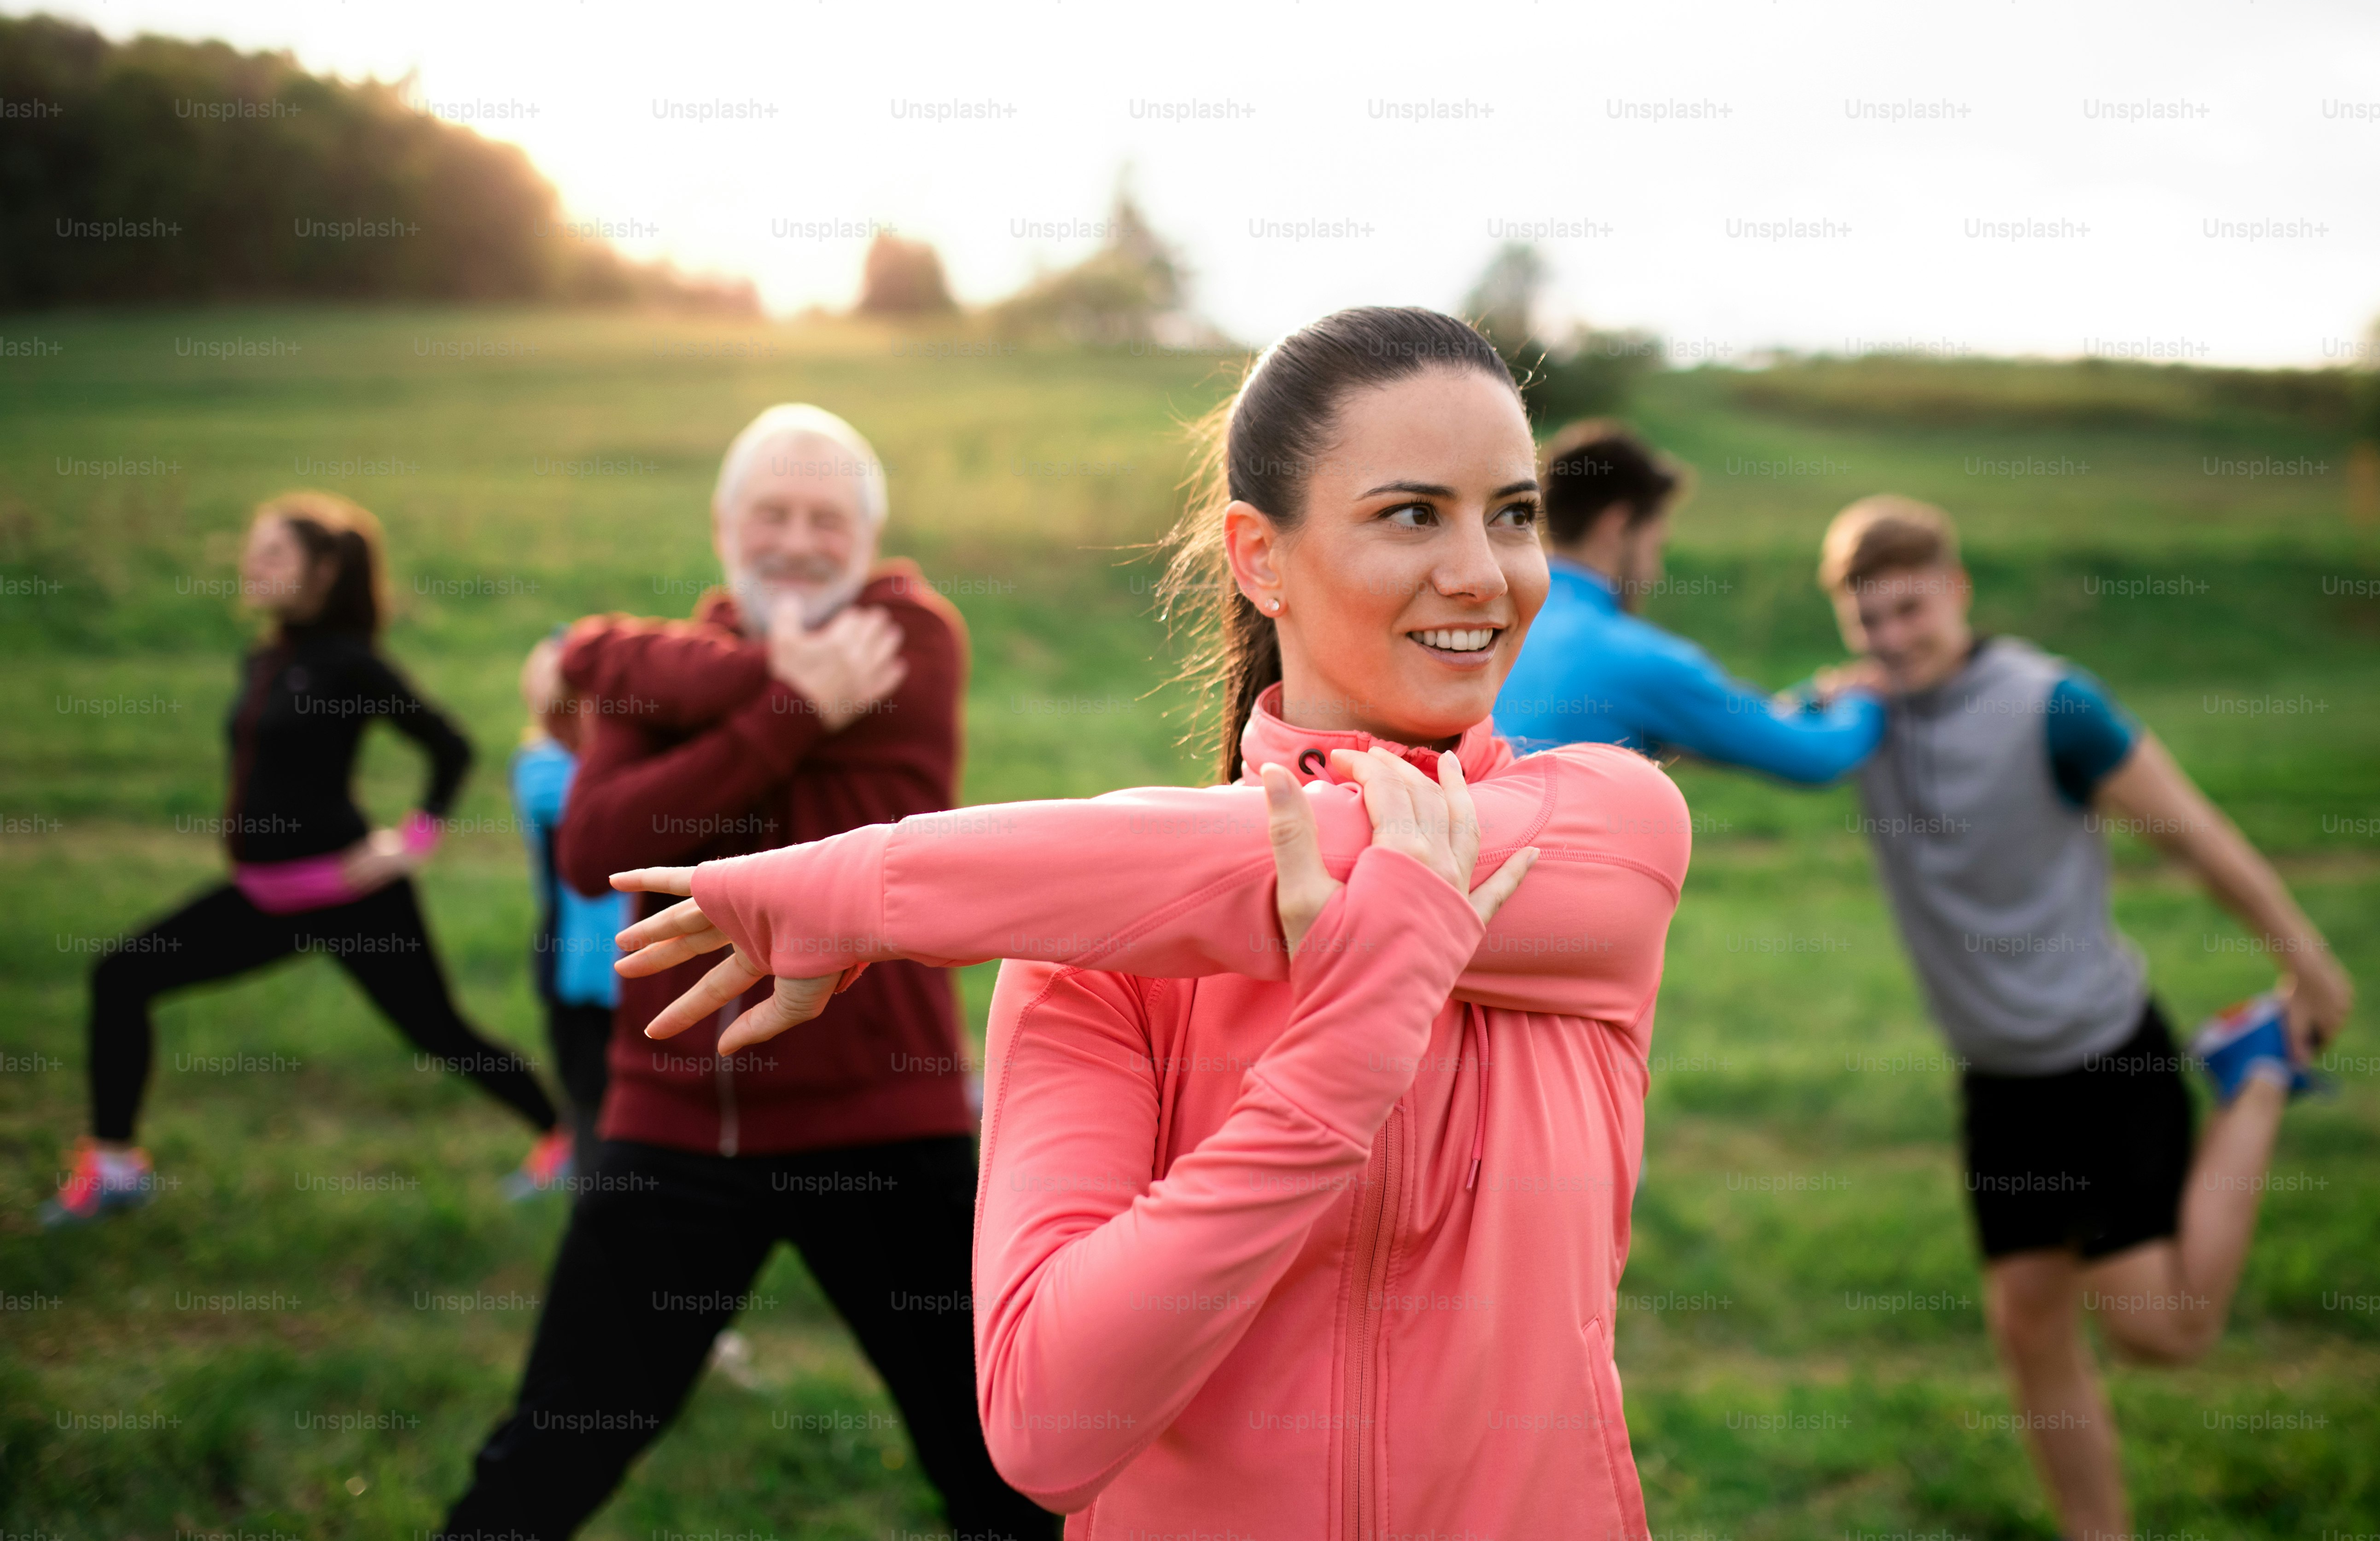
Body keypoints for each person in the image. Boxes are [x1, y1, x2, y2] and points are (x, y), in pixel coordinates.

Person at [607, 309, 1696, 1537]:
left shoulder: (1606, 823)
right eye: (1410, 514)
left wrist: (846, 890)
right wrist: (1338, 1065)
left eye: (1510, 512)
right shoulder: (1095, 957)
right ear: (1258, 557)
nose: (1481, 571)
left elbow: (1249, 855)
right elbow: (1043, 1428)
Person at [441, 406, 1056, 1541]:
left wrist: (591, 656)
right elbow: (597, 847)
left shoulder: (913, 639)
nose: (797, 538)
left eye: (827, 516)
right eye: (770, 511)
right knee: (552, 1451)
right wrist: (790, 704)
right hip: (677, 1125)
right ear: (725, 527)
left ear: (870, 539)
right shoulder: (672, 670)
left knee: (999, 1465)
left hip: (882, 1121)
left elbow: (645, 726)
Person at [1813, 494, 2353, 1541]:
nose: (1889, 637)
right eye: (1866, 619)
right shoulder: (1859, 713)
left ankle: (2253, 1076)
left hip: (2100, 1058)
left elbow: (2192, 833)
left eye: (1908, 609)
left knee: (2163, 1331)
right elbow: (1731, 731)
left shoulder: (2053, 706)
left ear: (1958, 590)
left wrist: (2305, 956)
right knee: (2027, 1322)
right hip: (1994, 1075)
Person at [44, 491, 564, 1229]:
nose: (251, 564)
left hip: (348, 896)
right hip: (262, 898)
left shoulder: (349, 662)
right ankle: (118, 1169)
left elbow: (449, 745)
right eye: (251, 549)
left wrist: (406, 846)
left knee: (438, 1030)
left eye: (273, 553)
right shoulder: (264, 655)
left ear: (322, 572)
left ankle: (566, 1136)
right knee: (122, 975)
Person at [1492, 419, 1881, 782]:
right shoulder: (1636, 659)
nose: (1654, 572)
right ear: (1619, 524)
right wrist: (1866, 698)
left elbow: (1733, 719)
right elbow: (1815, 756)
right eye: (1656, 546)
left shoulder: (1493, 631)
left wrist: (1814, 701)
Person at [510, 635, 629, 1187]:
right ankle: (588, 1190)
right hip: (573, 970)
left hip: (638, 965)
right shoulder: (541, 770)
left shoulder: (624, 767)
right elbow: (591, 809)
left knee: (636, 1098)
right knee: (587, 1091)